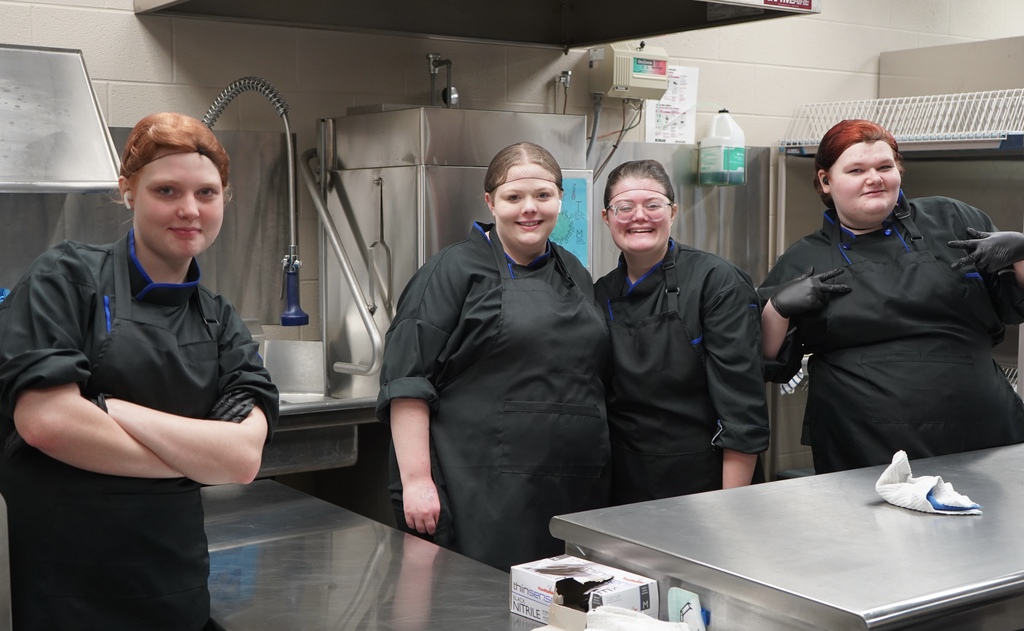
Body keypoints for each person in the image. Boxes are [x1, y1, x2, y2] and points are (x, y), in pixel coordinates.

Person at [0, 112, 279, 631]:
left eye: (206, 193)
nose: (189, 209)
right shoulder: (66, 278)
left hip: (163, 585)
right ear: (127, 192)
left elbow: (242, 458)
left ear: (225, 198)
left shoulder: (220, 321)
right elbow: (46, 422)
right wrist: (189, 460)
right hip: (59, 585)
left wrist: (110, 409)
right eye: (165, 190)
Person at [376, 141, 610, 571]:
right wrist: (416, 481)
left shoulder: (573, 271)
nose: (530, 209)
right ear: (490, 201)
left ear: (561, 198)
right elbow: (407, 380)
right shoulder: (451, 271)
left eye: (542, 196)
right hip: (479, 490)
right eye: (514, 197)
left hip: (571, 486)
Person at [759, 118, 1024, 474]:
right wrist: (776, 309)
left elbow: (1015, 305)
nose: (874, 178)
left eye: (885, 166)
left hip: (985, 435)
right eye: (856, 169)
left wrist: (1021, 253)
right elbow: (767, 362)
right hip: (863, 446)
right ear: (825, 180)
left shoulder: (952, 219)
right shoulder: (804, 258)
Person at [594, 159, 769, 503]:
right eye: (625, 207)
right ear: (607, 218)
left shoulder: (716, 281)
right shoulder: (600, 293)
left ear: (673, 212)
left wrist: (730, 509)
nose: (639, 216)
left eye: (653, 205)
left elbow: (741, 410)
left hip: (706, 482)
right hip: (626, 482)